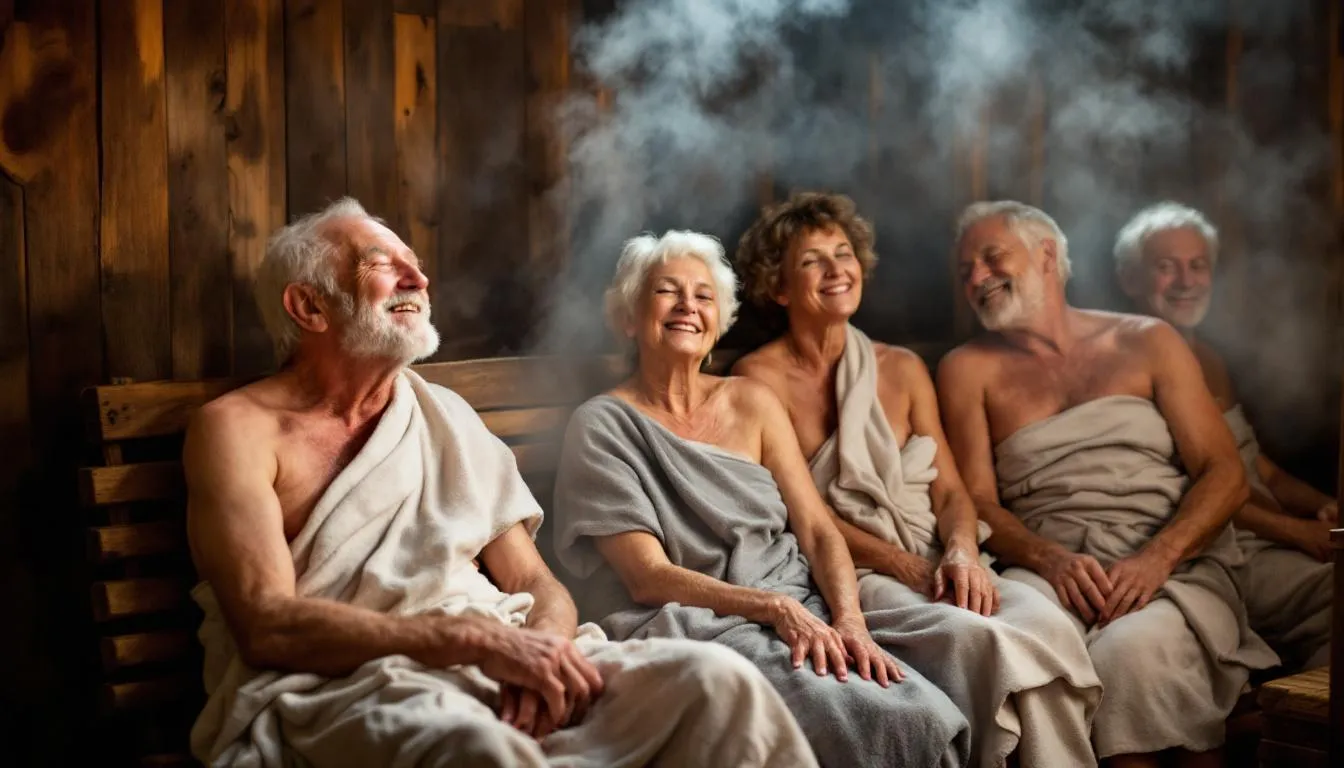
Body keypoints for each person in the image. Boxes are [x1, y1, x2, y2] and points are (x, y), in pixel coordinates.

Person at [183, 198, 815, 768]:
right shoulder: (237, 432)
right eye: (383, 265)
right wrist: (467, 642)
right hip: (357, 680)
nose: (419, 279)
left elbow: (536, 583)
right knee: (479, 748)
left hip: (502, 654)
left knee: (717, 684)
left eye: (417, 264)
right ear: (309, 306)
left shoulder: (446, 417)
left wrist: (540, 650)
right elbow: (267, 625)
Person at [550, 230, 971, 768]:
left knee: (925, 709)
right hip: (693, 620)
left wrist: (850, 622)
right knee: (872, 715)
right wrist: (772, 609)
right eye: (666, 292)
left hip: (797, 604)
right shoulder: (601, 424)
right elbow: (646, 576)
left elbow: (818, 531)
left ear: (718, 318)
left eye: (703, 297)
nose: (687, 307)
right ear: (629, 319)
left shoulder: (752, 401)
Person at [730, 191, 1103, 768]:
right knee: (982, 640)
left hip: (940, 558)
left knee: (1051, 625)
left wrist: (960, 553)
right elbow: (794, 513)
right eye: (811, 261)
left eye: (844, 253)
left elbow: (953, 492)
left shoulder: (901, 368)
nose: (836, 270)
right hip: (852, 574)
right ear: (777, 287)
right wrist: (905, 565)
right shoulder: (756, 380)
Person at [937, 200, 1280, 768]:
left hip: (1170, 560)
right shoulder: (966, 368)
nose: (976, 278)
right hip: (1048, 565)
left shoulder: (1148, 340)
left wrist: (1157, 558)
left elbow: (1224, 473)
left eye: (991, 257)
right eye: (964, 269)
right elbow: (975, 500)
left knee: (1132, 654)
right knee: (1021, 642)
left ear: (1046, 255)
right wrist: (1050, 559)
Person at [1114, 200, 1333, 670]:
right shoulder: (1128, 367)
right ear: (1130, 279)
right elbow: (1198, 486)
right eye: (1166, 268)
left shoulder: (1208, 357)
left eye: (1198, 266)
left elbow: (1260, 467)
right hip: (1219, 543)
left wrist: (1322, 509)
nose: (1187, 281)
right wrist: (1298, 533)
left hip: (1272, 534)